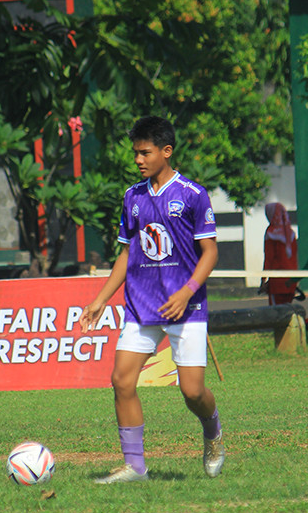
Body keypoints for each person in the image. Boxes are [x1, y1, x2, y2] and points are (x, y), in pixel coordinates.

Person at [79, 116, 224, 484]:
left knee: (192, 391)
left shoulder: (192, 194)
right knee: (121, 380)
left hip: (186, 308)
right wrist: (100, 299)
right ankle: (135, 467)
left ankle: (213, 432)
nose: (139, 160)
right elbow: (127, 254)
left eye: (145, 153)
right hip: (141, 306)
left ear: (166, 151)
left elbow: (210, 252)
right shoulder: (133, 197)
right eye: (136, 154)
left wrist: (187, 290)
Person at [259, 202, 299, 305]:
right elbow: (294, 258)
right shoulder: (290, 233)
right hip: (291, 281)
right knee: (288, 312)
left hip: (277, 282)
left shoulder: (271, 233)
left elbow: (269, 259)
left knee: (276, 314)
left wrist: (263, 279)